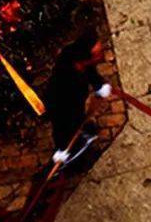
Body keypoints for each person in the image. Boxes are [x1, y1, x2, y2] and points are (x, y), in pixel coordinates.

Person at [43, 32, 113, 165]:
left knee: (78, 119)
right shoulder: (67, 80)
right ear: (86, 57)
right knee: (67, 128)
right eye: (98, 53)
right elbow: (61, 120)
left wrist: (98, 85)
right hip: (63, 107)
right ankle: (71, 157)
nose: (102, 54)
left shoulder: (75, 55)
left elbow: (90, 70)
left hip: (76, 103)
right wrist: (63, 147)